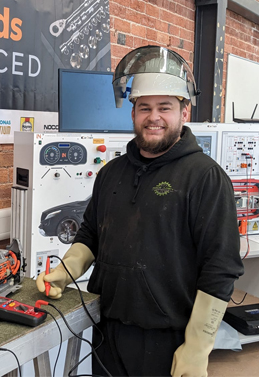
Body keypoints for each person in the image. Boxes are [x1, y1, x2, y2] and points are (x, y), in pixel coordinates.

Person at [36, 45, 244, 377]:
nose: (154, 117)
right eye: (144, 107)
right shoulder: (112, 173)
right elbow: (91, 233)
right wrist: (67, 269)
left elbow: (220, 268)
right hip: (108, 331)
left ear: (184, 112)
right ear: (132, 113)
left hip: (170, 338)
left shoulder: (205, 177)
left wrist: (197, 345)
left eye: (165, 107)